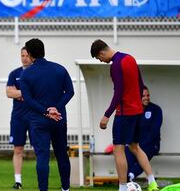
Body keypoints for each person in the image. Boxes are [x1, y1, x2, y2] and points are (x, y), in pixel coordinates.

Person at [90, 39, 159, 191]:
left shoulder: (115, 65)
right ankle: (152, 182)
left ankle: (122, 188)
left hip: (124, 113)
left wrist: (107, 114)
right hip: (137, 111)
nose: (101, 61)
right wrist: (138, 105)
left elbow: (119, 92)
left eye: (99, 58)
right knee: (135, 147)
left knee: (118, 149)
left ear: (101, 53)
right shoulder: (130, 58)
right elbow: (141, 84)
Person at [20, 38, 74, 191]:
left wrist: (46, 111)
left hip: (39, 120)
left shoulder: (26, 74)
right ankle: (66, 188)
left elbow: (28, 100)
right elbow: (70, 92)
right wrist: (55, 108)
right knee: (62, 154)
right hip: (59, 119)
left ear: (29, 54)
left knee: (42, 157)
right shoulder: (60, 69)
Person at [6, 46, 33, 189]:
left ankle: (43, 179)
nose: (25, 58)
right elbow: (9, 93)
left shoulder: (37, 73)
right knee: (18, 150)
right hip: (18, 118)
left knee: (40, 149)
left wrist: (19, 92)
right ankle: (18, 181)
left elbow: (40, 92)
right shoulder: (14, 73)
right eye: (22, 55)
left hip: (35, 117)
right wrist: (27, 93)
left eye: (27, 55)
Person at [126, 86, 163, 181]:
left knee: (143, 153)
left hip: (151, 144)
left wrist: (140, 146)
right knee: (127, 152)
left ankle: (131, 175)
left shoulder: (156, 110)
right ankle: (128, 177)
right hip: (135, 144)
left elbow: (154, 131)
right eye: (143, 96)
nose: (146, 97)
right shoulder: (133, 110)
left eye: (148, 95)